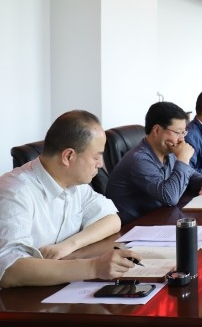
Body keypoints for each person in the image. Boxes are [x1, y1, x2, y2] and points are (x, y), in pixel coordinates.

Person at [0, 110, 137, 287]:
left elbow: (111, 219)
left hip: (60, 288)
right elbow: (9, 270)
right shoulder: (15, 191)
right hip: (21, 299)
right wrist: (94, 267)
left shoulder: (75, 184)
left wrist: (69, 245)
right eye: (96, 156)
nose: (101, 164)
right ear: (68, 156)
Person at [106, 102, 202, 224]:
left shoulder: (168, 153)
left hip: (158, 220)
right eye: (177, 132)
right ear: (156, 130)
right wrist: (183, 158)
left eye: (183, 132)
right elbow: (170, 197)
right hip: (133, 228)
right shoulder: (139, 160)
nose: (182, 139)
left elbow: (191, 174)